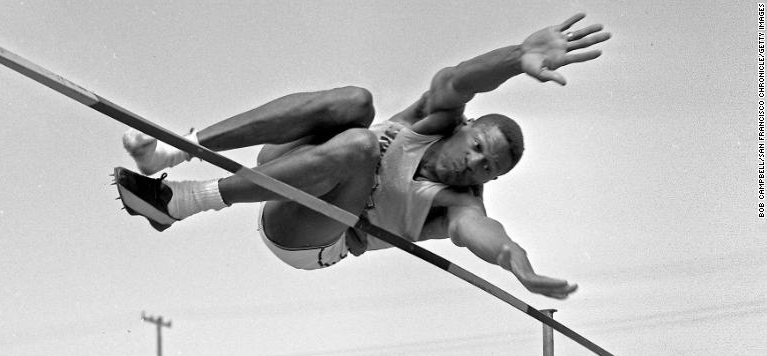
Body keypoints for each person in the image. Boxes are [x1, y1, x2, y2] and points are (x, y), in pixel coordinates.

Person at [114, 16, 609, 300]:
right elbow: (457, 78)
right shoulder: (434, 117)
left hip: (309, 237)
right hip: (291, 165)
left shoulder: (459, 204)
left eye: (488, 169)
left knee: (363, 145)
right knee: (355, 102)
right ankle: (174, 151)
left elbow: (488, 237)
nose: (474, 165)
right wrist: (515, 57)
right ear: (467, 127)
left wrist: (517, 265)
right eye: (477, 148)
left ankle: (187, 202)